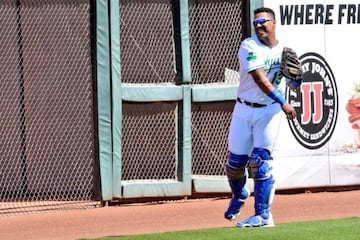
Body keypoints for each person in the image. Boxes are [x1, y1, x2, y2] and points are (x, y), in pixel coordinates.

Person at [224, 7, 299, 228]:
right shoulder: (249, 45)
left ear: (274, 23)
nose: (259, 25)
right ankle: (239, 194)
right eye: (256, 22)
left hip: (268, 111)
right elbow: (259, 79)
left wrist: (296, 79)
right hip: (244, 109)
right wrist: (283, 101)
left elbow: (294, 83)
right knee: (234, 165)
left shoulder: (285, 50)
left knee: (260, 162)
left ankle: (263, 216)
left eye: (263, 21)